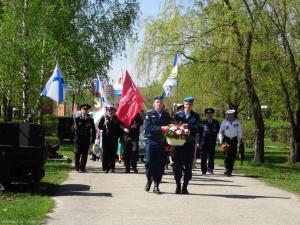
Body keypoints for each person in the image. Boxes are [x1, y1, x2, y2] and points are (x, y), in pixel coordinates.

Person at [173, 97, 201, 194]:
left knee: (188, 167)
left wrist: (189, 126)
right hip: (179, 144)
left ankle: (185, 186)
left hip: (190, 144)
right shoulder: (177, 115)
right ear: (183, 104)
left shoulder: (196, 116)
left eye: (189, 105)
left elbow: (199, 128)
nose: (187, 106)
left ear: (192, 105)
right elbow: (173, 126)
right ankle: (178, 186)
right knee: (177, 166)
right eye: (186, 104)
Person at [144, 96, 171, 194]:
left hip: (162, 142)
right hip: (151, 141)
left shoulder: (166, 115)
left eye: (160, 102)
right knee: (149, 162)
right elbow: (148, 128)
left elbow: (170, 126)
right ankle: (149, 179)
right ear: (154, 104)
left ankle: (156, 185)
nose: (159, 103)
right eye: (157, 102)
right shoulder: (149, 114)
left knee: (160, 165)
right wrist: (161, 128)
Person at [218, 109, 243, 177]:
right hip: (227, 140)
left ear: (233, 115)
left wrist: (240, 139)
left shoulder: (237, 122)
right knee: (227, 156)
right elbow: (221, 131)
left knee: (233, 155)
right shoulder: (224, 122)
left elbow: (239, 131)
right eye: (228, 115)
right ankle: (227, 170)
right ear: (226, 115)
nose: (230, 116)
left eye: (231, 115)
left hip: (234, 140)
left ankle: (230, 170)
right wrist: (220, 140)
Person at [98, 105, 121, 173]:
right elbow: (100, 127)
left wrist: (119, 137)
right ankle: (105, 168)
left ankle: (112, 167)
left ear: (114, 111)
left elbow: (119, 128)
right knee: (105, 154)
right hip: (106, 139)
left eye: (112, 110)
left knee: (113, 154)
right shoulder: (104, 117)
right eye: (109, 110)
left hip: (114, 139)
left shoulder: (117, 118)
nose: (110, 112)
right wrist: (104, 124)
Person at [73, 104, 96, 172]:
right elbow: (71, 129)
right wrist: (74, 128)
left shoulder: (90, 120)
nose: (85, 111)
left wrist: (93, 139)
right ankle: (77, 166)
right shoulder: (76, 119)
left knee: (84, 154)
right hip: (78, 139)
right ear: (81, 110)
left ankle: (82, 167)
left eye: (86, 110)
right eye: (84, 109)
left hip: (86, 139)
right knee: (77, 153)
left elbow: (93, 130)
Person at [200, 108, 220, 175]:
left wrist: (218, 139)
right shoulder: (203, 122)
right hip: (204, 142)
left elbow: (218, 131)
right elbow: (200, 132)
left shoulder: (216, 122)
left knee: (211, 156)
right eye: (208, 113)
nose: (209, 115)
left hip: (212, 141)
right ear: (206, 114)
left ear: (213, 114)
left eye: (211, 113)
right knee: (203, 156)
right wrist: (198, 142)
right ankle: (203, 170)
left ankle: (210, 169)